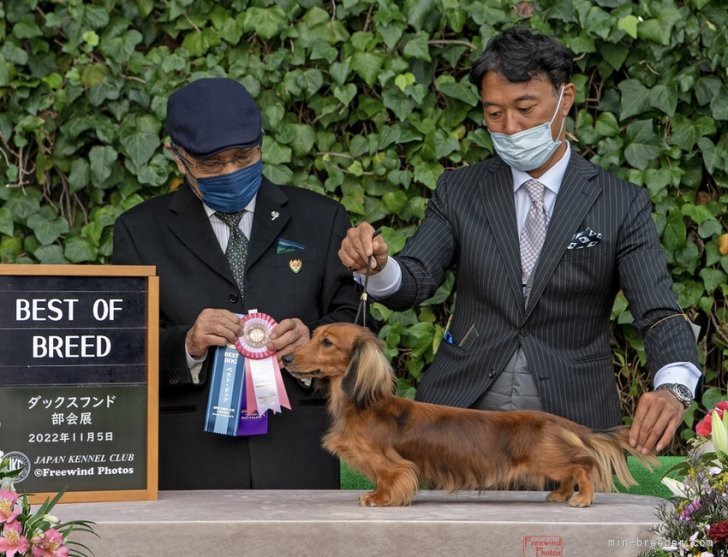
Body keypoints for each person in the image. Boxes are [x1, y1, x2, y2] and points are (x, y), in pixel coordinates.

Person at [339, 28, 701, 456]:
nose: (510, 128)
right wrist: (379, 267)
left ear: (564, 100)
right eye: (494, 114)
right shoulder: (460, 191)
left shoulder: (620, 202)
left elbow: (659, 312)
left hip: (572, 422)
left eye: (525, 108)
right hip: (458, 418)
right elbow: (416, 278)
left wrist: (674, 387)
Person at [113, 77, 359, 489]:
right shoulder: (139, 231)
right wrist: (187, 344)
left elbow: (354, 320)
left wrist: (315, 341)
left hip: (303, 448)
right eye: (211, 163)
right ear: (178, 157)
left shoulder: (324, 218)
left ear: (261, 144)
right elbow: (121, 348)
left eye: (243, 156)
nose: (230, 171)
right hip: (188, 457)